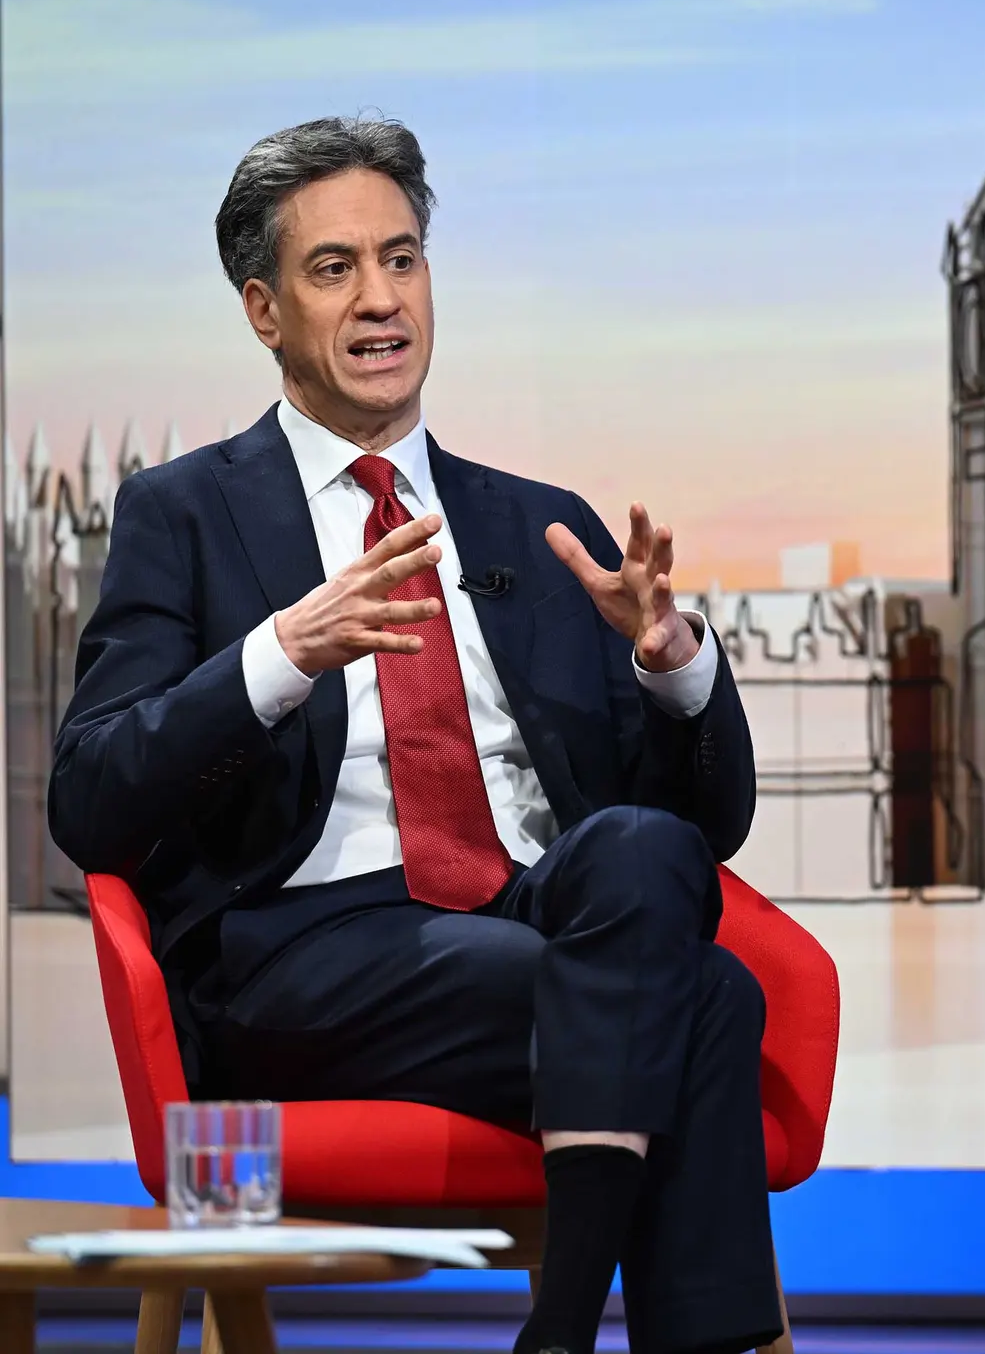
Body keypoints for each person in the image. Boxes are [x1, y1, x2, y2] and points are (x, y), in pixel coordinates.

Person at [48, 116, 780, 1354]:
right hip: (305, 946)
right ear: (264, 310)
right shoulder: (184, 513)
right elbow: (89, 796)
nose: (381, 299)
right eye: (334, 268)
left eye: (401, 258)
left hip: (534, 907)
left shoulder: (542, 527)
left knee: (645, 854)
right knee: (704, 996)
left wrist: (672, 667)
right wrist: (282, 655)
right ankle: (593, 1331)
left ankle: (560, 1327)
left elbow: (707, 831)